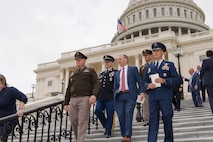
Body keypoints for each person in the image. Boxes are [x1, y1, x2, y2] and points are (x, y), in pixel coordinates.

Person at [143, 42, 180, 142]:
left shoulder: (169, 65)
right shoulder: (149, 67)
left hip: (165, 96)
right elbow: (144, 81)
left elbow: (177, 79)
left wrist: (165, 81)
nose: (155, 53)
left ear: (163, 52)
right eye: (154, 51)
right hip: (153, 97)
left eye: (158, 50)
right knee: (153, 120)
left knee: (167, 118)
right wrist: (147, 85)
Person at [63, 51, 100, 142]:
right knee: (73, 121)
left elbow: (96, 83)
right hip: (73, 99)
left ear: (84, 61)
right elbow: (68, 89)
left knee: (82, 121)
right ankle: (78, 139)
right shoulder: (73, 74)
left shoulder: (90, 71)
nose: (77, 62)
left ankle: (80, 140)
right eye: (76, 60)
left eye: (79, 60)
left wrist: (94, 95)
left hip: (85, 98)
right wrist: (65, 103)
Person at [113, 54, 144, 142]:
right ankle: (124, 135)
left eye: (120, 59)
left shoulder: (133, 69)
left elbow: (139, 81)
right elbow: (115, 87)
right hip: (119, 96)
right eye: (118, 59)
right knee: (121, 116)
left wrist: (141, 92)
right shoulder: (117, 73)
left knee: (128, 113)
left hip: (130, 95)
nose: (119, 61)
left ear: (126, 60)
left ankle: (127, 135)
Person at [94, 55, 117, 138]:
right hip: (101, 97)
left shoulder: (116, 72)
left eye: (108, 62)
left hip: (110, 97)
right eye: (105, 62)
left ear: (111, 63)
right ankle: (106, 125)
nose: (106, 63)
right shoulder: (101, 73)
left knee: (110, 114)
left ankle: (108, 131)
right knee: (97, 111)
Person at [0, 74, 28, 142]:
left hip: (8, 121)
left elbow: (23, 97)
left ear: (1, 82)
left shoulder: (10, 90)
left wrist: (20, 109)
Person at [139, 49, 153, 126]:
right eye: (144, 56)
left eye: (147, 55)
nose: (145, 57)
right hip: (146, 89)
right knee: (145, 105)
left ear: (150, 56)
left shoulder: (154, 65)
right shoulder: (142, 68)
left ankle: (158, 117)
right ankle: (147, 119)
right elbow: (140, 80)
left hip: (154, 87)